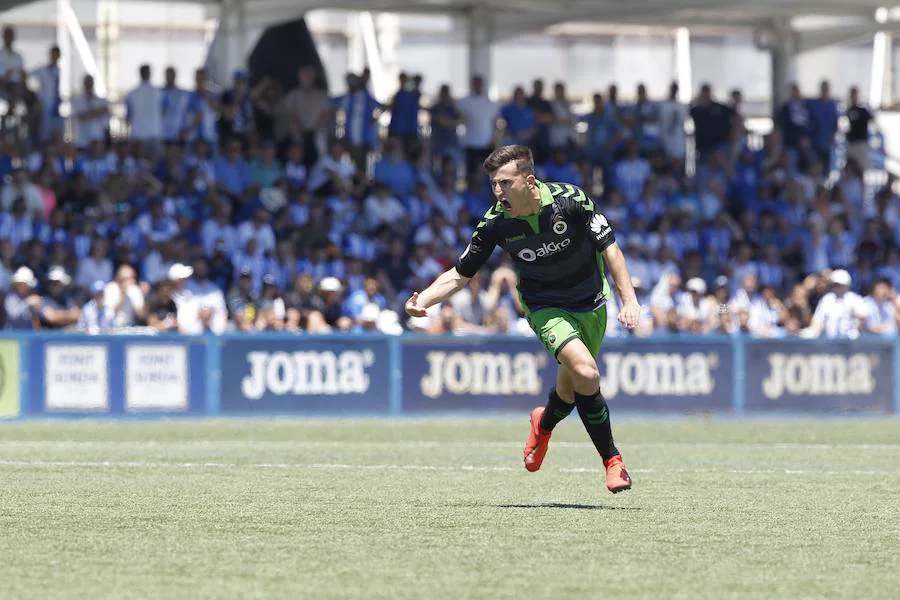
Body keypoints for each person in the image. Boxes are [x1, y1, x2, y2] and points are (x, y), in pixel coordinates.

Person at [404, 144, 638, 494]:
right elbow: (461, 273)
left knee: (570, 392)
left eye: (505, 183)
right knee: (587, 373)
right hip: (544, 307)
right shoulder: (496, 222)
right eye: (493, 185)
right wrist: (424, 300)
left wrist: (629, 299)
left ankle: (542, 425)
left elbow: (611, 250)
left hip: (591, 303)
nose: (498, 192)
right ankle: (613, 461)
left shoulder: (570, 200)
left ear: (529, 181)